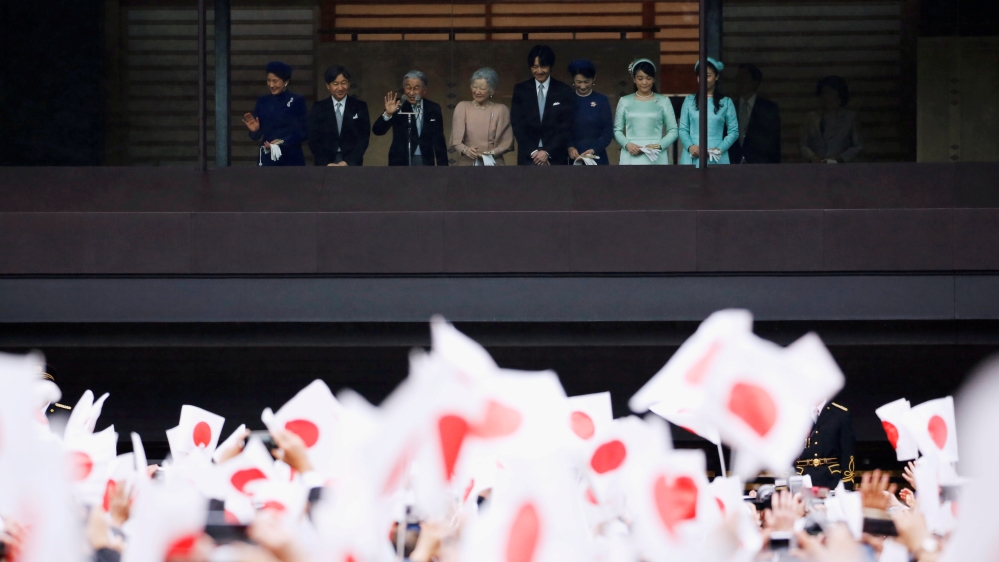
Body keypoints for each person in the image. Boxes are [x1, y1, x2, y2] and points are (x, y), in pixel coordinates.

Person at [510, 45, 575, 165]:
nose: (539, 71)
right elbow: (517, 124)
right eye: (535, 67)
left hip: (555, 157)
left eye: (543, 66)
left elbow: (565, 126)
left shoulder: (564, 90)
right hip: (528, 157)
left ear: (551, 66)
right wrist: (534, 153)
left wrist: (547, 152)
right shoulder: (521, 90)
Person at [372, 71, 448, 167]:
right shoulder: (397, 105)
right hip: (399, 160)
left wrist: (444, 168)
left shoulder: (433, 108)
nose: (411, 92)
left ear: (424, 90)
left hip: (425, 160)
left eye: (416, 88)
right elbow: (378, 131)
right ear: (404, 89)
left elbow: (439, 140)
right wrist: (388, 113)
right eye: (408, 87)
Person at [613, 58, 678, 165]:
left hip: (656, 154)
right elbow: (617, 130)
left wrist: (659, 145)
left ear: (654, 79)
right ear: (634, 79)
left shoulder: (663, 101)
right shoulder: (625, 101)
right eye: (640, 78)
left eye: (648, 78)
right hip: (631, 153)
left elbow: (673, 130)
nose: (644, 82)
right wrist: (627, 144)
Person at [242, 61, 308, 167]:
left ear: (286, 81)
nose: (271, 85)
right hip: (268, 158)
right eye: (269, 81)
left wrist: (282, 141)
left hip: (291, 158)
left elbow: (303, 132)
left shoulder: (297, 100)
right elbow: (256, 136)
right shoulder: (263, 101)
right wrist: (255, 130)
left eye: (275, 81)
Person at [678, 57, 738, 167]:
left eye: (708, 75)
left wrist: (719, 149)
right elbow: (683, 129)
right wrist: (690, 146)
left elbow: (734, 131)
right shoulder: (689, 101)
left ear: (717, 76)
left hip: (717, 153)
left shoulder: (726, 102)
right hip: (692, 152)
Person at [308, 65, 370, 167]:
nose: (340, 88)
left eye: (343, 83)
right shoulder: (318, 108)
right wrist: (326, 163)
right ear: (328, 86)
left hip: (351, 162)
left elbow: (364, 138)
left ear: (349, 84)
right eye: (335, 84)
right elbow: (313, 139)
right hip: (326, 163)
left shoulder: (360, 106)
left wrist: (348, 162)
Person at [450, 67, 514, 166]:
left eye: (482, 88)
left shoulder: (501, 110)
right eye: (474, 86)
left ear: (492, 91)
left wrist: (490, 153)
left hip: (494, 163)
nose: (477, 91)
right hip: (468, 164)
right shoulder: (462, 107)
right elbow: (456, 140)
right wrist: (466, 150)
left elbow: (507, 143)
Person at [800, 75, 863, 163]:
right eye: (823, 93)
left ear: (840, 95)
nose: (826, 97)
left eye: (830, 93)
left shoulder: (850, 118)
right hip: (816, 168)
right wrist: (812, 157)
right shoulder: (811, 118)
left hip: (842, 168)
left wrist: (839, 158)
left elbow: (858, 146)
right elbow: (803, 145)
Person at [795, 401, 856, 490]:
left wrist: (847, 485)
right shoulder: (795, 413)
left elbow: (847, 453)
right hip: (801, 479)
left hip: (831, 480)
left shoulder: (840, 414)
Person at [729, 63, 782, 164]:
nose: (739, 82)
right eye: (737, 78)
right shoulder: (729, 108)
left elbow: (774, 143)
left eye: (743, 78)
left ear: (755, 82)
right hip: (733, 166)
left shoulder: (768, 108)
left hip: (760, 166)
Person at [566, 60, 613, 165]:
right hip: (573, 156)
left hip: (597, 157)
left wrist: (594, 150)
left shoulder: (602, 100)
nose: (582, 86)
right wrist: (569, 146)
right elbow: (562, 129)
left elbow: (608, 132)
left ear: (594, 79)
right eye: (579, 82)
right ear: (573, 80)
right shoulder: (567, 99)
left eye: (586, 81)